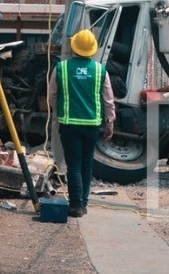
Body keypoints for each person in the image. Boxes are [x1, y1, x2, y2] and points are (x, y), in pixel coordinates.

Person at [47, 28, 115, 218]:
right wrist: (110, 122)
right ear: (93, 49)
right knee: (87, 164)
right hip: (92, 125)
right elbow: (108, 100)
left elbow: (52, 96)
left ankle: (76, 205)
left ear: (74, 46)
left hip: (69, 125)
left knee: (74, 164)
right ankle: (83, 202)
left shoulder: (61, 68)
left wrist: (58, 112)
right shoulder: (101, 71)